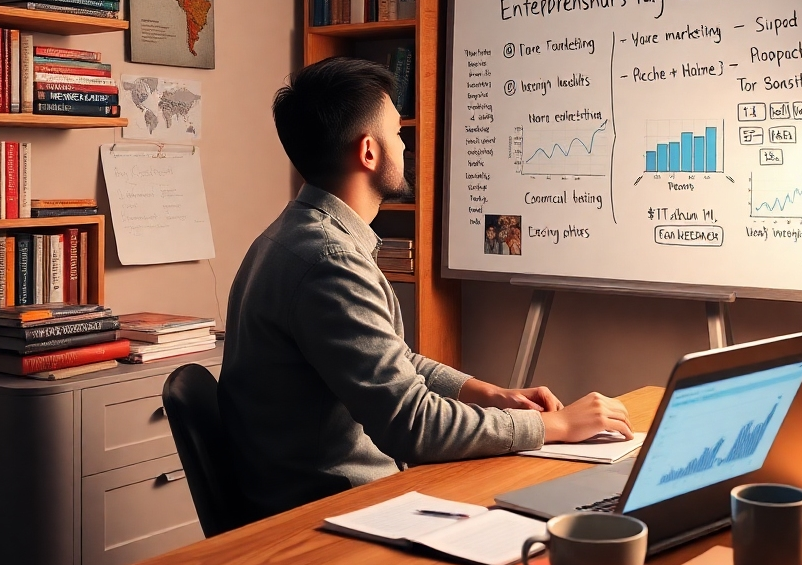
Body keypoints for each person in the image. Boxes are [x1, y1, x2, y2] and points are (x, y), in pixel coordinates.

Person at [218, 57, 631, 517]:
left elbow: (388, 359)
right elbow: (411, 423)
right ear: (369, 152)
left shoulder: (296, 236)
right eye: (398, 132)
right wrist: (551, 425)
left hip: (337, 493)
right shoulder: (328, 262)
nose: (405, 143)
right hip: (330, 509)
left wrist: (490, 393)